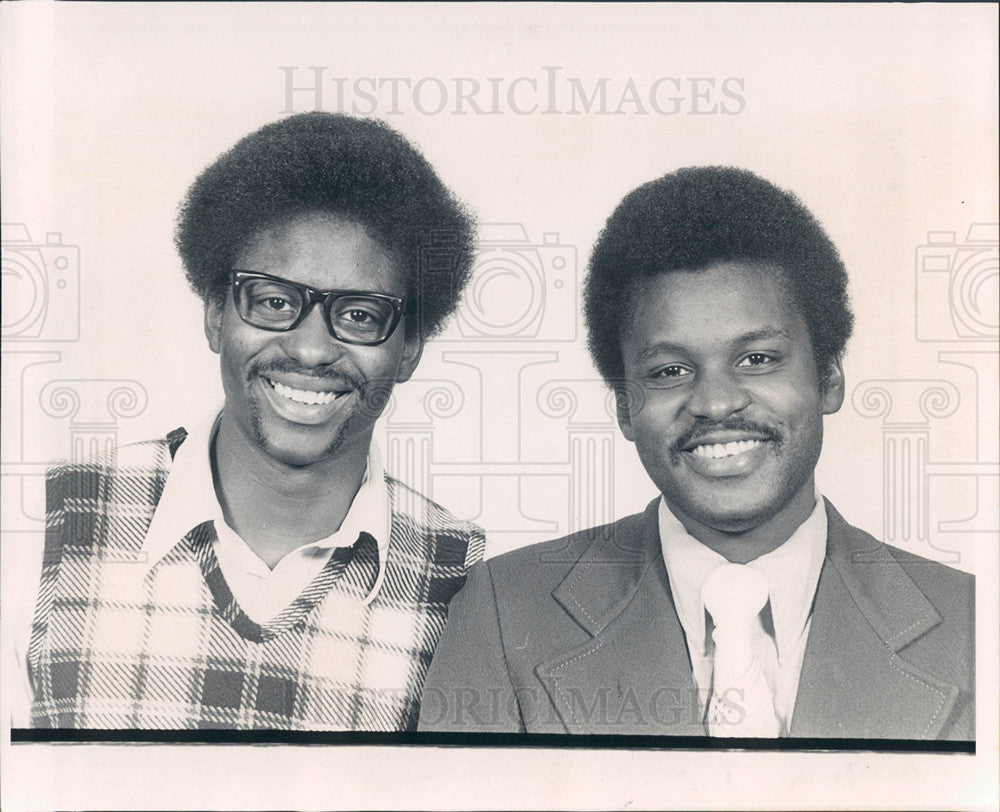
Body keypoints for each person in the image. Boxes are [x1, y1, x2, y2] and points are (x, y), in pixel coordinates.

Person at [419, 166, 974, 740]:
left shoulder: (972, 624)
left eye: (757, 358)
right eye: (670, 371)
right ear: (625, 409)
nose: (715, 402)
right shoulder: (503, 612)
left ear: (829, 376)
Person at [20, 113, 485, 731]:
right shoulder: (44, 518)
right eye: (273, 302)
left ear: (409, 350)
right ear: (215, 314)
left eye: (360, 315)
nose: (312, 350)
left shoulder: (465, 582)